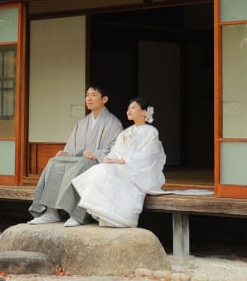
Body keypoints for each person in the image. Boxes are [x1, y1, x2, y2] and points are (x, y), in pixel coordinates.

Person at [28, 84, 123, 227]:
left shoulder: (113, 123)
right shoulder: (82, 122)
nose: (89, 98)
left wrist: (96, 154)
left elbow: (114, 150)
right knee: (55, 161)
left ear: (104, 99)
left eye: (93, 95)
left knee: (83, 163)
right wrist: (66, 153)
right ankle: (51, 212)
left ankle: (76, 215)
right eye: (87, 95)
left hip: (98, 162)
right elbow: (72, 148)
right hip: (81, 159)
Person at [71, 97, 166, 228]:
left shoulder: (151, 131)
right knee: (100, 169)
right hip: (121, 165)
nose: (129, 111)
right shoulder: (126, 132)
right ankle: (104, 213)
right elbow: (115, 151)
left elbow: (150, 154)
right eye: (128, 108)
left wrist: (125, 160)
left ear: (144, 112)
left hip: (136, 169)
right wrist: (111, 159)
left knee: (104, 171)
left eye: (133, 108)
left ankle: (118, 217)